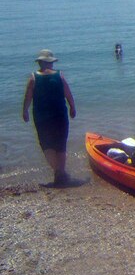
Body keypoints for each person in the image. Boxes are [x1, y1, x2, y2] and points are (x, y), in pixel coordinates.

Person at [22, 49, 77, 186]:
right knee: (61, 144)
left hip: (42, 117)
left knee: (46, 144)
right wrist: (72, 107)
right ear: (51, 62)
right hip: (59, 115)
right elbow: (68, 93)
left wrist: (25, 111)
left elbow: (28, 97)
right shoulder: (60, 76)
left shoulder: (33, 78)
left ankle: (58, 173)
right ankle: (61, 173)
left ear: (40, 63)